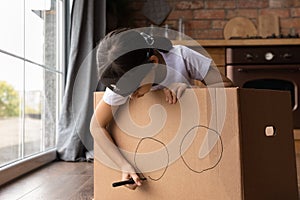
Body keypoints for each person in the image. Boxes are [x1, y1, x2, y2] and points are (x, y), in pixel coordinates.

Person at [90, 28, 233, 190]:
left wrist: (192, 91)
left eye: (135, 90)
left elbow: (229, 87)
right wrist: (124, 165)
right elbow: (96, 126)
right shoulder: (123, 80)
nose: (131, 97)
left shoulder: (182, 57)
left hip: (195, 153)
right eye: (125, 93)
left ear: (153, 63)